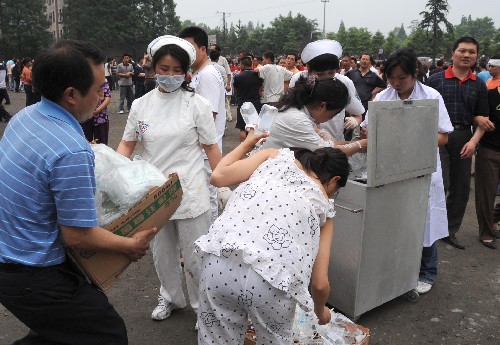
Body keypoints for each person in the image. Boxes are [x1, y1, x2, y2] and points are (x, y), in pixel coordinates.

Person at [0, 39, 157, 345]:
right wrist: (128, 245)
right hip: (33, 272)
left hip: (10, 257)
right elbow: (78, 235)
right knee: (106, 334)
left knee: (56, 334)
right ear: (71, 94)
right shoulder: (69, 150)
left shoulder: (26, 117)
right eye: (99, 88)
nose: (103, 96)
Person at [195, 129, 350, 344]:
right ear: (334, 180)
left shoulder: (273, 156)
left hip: (219, 261)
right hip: (272, 282)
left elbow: (218, 176)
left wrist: (248, 144)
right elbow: (320, 285)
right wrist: (320, 311)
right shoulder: (323, 208)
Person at [116, 35, 222, 323]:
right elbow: (127, 144)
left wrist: (224, 180)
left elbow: (211, 148)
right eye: (164, 69)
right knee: (161, 254)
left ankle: (203, 307)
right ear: (153, 68)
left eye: (177, 70)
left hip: (191, 188)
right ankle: (171, 297)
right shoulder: (141, 105)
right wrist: (112, 173)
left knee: (196, 253)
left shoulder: (196, 104)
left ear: (186, 72)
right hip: (154, 192)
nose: (171, 75)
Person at [361, 48, 454, 294]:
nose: (395, 83)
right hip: (392, 168)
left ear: (414, 74)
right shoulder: (384, 98)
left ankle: (428, 272)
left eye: (401, 78)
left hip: (422, 167)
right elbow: (369, 129)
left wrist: (413, 137)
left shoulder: (431, 95)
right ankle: (400, 271)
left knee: (423, 221)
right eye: (391, 78)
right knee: (398, 221)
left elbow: (443, 136)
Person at [427, 36, 491, 250]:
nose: (466, 55)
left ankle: (449, 230)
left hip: (465, 138)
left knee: (461, 187)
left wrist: (473, 142)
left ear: (476, 56)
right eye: (462, 51)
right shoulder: (435, 80)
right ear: (453, 53)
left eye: (471, 52)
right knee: (438, 183)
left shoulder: (479, 85)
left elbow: (482, 118)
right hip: (438, 137)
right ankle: (430, 228)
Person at [179, 26, 226, 224]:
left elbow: (210, 116)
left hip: (206, 150)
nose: (187, 54)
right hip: (200, 150)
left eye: (191, 48)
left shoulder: (207, 75)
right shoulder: (198, 73)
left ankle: (207, 244)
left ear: (203, 49)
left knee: (208, 197)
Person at [261, 75, 367, 156]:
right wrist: (359, 145)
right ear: (322, 106)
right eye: (333, 114)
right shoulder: (297, 120)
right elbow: (328, 152)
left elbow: (331, 145)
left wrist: (352, 144)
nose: (330, 119)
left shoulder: (290, 108)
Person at [289, 39, 364, 142]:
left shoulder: (344, 82)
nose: (326, 77)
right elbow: (291, 109)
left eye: (331, 73)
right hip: (303, 139)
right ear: (308, 68)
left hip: (334, 141)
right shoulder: (299, 79)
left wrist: (355, 120)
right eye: (319, 74)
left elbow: (357, 114)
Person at [475, 57, 500, 249]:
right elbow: (477, 114)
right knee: (487, 192)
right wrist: (479, 119)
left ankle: (494, 218)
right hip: (490, 148)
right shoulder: (488, 91)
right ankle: (486, 232)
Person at [345, 53, 387, 119]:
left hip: (365, 105)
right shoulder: (351, 73)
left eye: (367, 60)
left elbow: (383, 86)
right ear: (360, 60)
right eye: (363, 59)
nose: (364, 61)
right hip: (351, 105)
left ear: (369, 62)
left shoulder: (373, 75)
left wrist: (372, 92)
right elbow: (343, 83)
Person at [233, 56, 263, 141]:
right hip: (256, 103)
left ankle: (243, 149)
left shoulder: (238, 77)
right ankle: (253, 148)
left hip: (243, 103)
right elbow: (260, 88)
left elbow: (236, 90)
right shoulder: (259, 76)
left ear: (242, 65)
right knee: (254, 128)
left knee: (243, 128)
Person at [80, 80, 111, 145]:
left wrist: (98, 110)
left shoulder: (102, 79)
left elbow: (107, 97)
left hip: (101, 117)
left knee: (102, 145)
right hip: (84, 117)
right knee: (85, 143)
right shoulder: (80, 80)